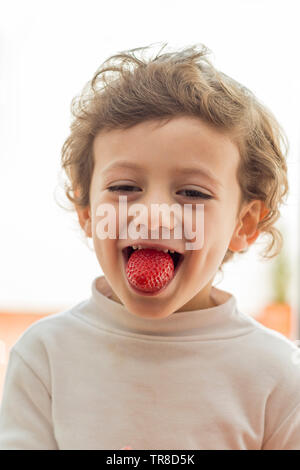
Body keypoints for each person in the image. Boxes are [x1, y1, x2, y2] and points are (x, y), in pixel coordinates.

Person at [0, 42, 299, 450]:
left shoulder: (279, 375)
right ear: (87, 211)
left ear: (243, 223)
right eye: (124, 187)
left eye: (192, 192)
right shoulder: (45, 359)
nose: (154, 213)